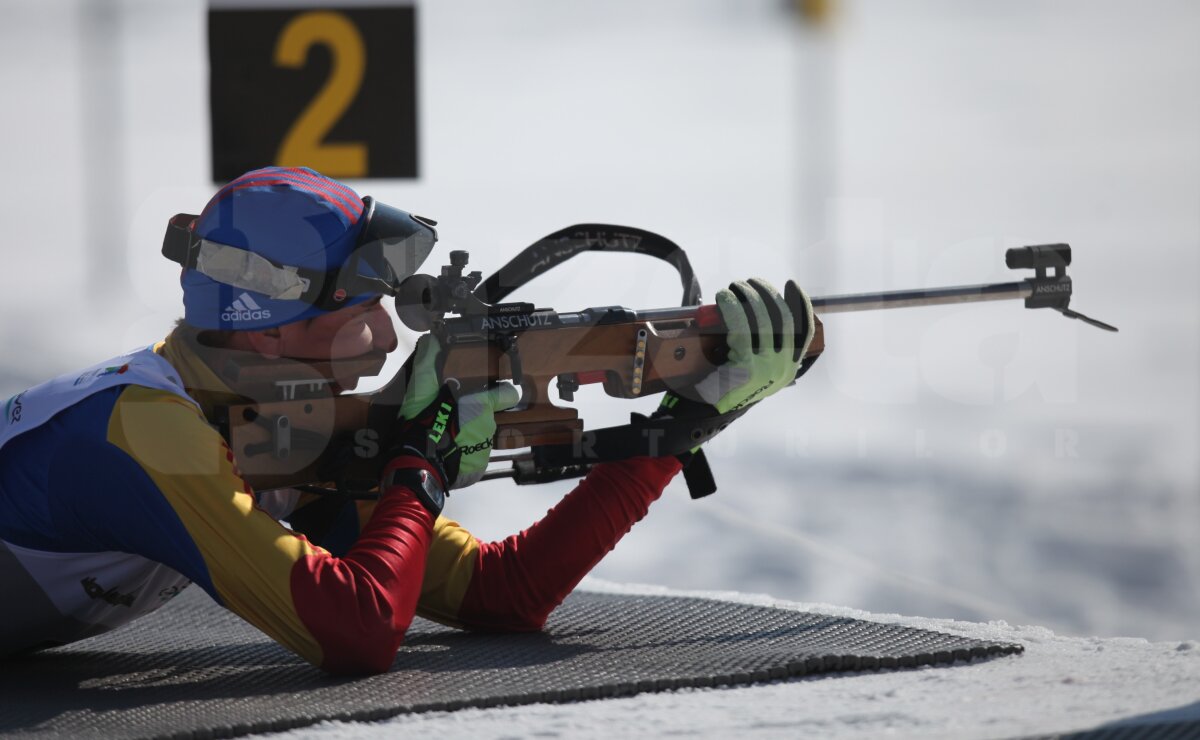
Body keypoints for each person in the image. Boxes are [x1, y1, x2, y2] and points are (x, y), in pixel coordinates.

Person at [0, 167, 815, 675]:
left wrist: (686, 423)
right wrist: (419, 461)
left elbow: (505, 596)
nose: (388, 337)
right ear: (270, 326)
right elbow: (356, 635)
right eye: (359, 312)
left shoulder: (276, 425)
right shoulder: (147, 428)